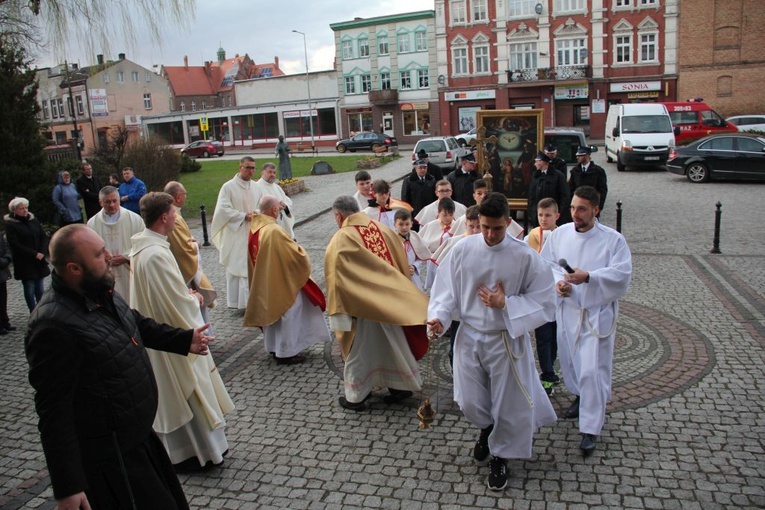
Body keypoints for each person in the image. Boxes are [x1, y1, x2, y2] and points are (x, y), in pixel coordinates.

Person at [25, 224, 215, 510]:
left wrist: (183, 339)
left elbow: (133, 322)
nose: (109, 257)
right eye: (100, 255)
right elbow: (54, 413)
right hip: (112, 462)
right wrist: (69, 487)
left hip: (140, 442)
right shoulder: (52, 327)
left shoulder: (99, 289)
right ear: (74, 268)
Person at [427, 192, 557, 491]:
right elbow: (445, 289)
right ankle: (487, 429)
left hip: (505, 338)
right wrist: (439, 317)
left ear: (508, 222)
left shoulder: (524, 255)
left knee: (506, 403)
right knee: (468, 399)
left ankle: (501, 456)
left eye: (496, 228)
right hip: (470, 333)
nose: (488, 234)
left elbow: (545, 301)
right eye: (484, 226)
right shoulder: (463, 249)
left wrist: (506, 304)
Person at [129, 192, 234, 471]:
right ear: (164, 217)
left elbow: (165, 294)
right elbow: (175, 303)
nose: (177, 216)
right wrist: (194, 299)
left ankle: (203, 450)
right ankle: (197, 454)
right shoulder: (154, 255)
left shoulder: (147, 248)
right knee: (189, 392)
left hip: (164, 333)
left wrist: (183, 293)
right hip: (174, 340)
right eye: (174, 212)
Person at [540, 186, 632, 456]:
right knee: (571, 362)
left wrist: (589, 277)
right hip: (568, 310)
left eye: (581, 209)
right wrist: (559, 283)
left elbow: (622, 274)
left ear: (596, 209)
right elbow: (547, 265)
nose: (575, 214)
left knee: (592, 369)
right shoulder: (560, 234)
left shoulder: (613, 240)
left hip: (596, 314)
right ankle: (581, 397)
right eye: (572, 207)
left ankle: (590, 428)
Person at [325, 196, 429, 411]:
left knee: (360, 352)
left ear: (338, 215)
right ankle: (400, 387)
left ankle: (356, 396)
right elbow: (400, 261)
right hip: (391, 305)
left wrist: (339, 312)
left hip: (364, 309)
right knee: (393, 345)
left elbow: (336, 275)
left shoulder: (342, 238)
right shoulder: (382, 228)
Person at [244, 195, 331, 364]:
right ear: (274, 210)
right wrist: (301, 251)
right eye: (278, 208)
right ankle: (286, 352)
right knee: (290, 311)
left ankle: (274, 346)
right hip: (280, 281)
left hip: (267, 281)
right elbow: (295, 255)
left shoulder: (255, 228)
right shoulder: (273, 230)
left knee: (275, 314)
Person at [211, 156, 262, 309]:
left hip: (251, 231)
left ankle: (252, 301)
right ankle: (237, 303)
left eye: (253, 168)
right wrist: (243, 216)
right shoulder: (228, 187)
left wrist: (256, 214)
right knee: (237, 265)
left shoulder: (256, 186)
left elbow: (260, 204)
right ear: (240, 166)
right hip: (236, 232)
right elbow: (223, 209)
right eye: (248, 167)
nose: (251, 171)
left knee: (251, 265)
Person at [164, 181, 217, 327]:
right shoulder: (174, 215)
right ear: (177, 196)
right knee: (195, 300)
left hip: (178, 265)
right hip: (183, 268)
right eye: (184, 194)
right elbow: (182, 247)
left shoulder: (174, 213)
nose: (186, 197)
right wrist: (195, 244)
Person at [524, 197, 561, 396]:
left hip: (561, 297)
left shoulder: (564, 235)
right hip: (541, 296)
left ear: (557, 215)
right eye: (540, 215)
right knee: (544, 337)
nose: (543, 219)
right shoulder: (532, 235)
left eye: (548, 215)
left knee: (557, 337)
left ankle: (552, 368)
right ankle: (547, 374)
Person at [87, 186, 145, 302]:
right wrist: (105, 258)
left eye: (115, 201)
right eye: (107, 202)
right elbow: (90, 250)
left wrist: (126, 257)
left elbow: (143, 244)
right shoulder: (92, 224)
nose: (112, 205)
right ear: (100, 203)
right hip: (106, 272)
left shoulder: (135, 219)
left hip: (129, 271)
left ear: (119, 200)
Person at [4, 197, 50, 311]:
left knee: (40, 287)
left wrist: (42, 252)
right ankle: (33, 311)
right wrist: (34, 254)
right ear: (14, 210)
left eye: (26, 208)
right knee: (29, 288)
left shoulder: (33, 220)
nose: (25, 210)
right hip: (25, 261)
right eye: (21, 208)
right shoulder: (11, 225)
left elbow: (43, 236)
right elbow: (15, 244)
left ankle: (41, 310)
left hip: (39, 260)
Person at [451, 179, 524, 238]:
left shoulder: (500, 216)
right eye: (479, 193)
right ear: (474, 196)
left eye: (486, 193)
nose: (483, 197)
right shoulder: (464, 218)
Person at [528, 152, 570, 228]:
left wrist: (559, 213)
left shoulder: (558, 176)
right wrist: (533, 213)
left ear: (542, 162)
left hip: (555, 217)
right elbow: (531, 196)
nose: (535, 164)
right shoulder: (535, 176)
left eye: (536, 161)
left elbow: (565, 196)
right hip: (539, 217)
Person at [393, 209, 431, 292]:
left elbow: (420, 256)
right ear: (395, 224)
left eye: (407, 224)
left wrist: (414, 266)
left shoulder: (415, 237)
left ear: (411, 224)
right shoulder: (391, 238)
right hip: (398, 274)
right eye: (401, 224)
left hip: (413, 274)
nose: (404, 227)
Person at [255, 162, 295, 239]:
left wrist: (284, 205)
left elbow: (288, 201)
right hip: (268, 227)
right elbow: (255, 209)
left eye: (274, 172)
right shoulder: (257, 187)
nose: (272, 174)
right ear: (262, 172)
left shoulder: (276, 187)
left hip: (281, 223)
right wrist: (274, 208)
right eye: (269, 172)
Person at [568, 146, 608, 213]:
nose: (577, 157)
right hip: (578, 204)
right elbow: (570, 189)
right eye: (577, 155)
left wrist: (600, 206)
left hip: (591, 204)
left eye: (580, 155)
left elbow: (602, 190)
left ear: (587, 156)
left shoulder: (598, 171)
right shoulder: (575, 171)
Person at [401, 159, 437, 225]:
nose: (423, 170)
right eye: (420, 168)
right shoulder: (409, 181)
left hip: (428, 212)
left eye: (424, 168)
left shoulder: (431, 179)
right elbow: (405, 199)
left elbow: (435, 197)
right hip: (415, 212)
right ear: (416, 168)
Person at [0, 233, 13, 334]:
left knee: (3, 298)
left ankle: (5, 321)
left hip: (2, 272)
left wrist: (7, 258)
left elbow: (6, 246)